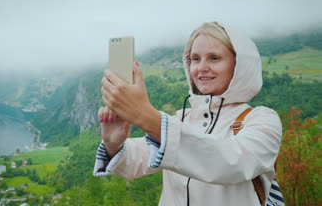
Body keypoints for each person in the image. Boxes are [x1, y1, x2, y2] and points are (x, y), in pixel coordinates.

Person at [94, 22, 284, 206]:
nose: (201, 67)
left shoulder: (262, 120)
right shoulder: (182, 119)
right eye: (195, 59)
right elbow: (137, 162)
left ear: (240, 66)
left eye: (214, 58)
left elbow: (232, 163)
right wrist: (113, 143)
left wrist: (145, 115)